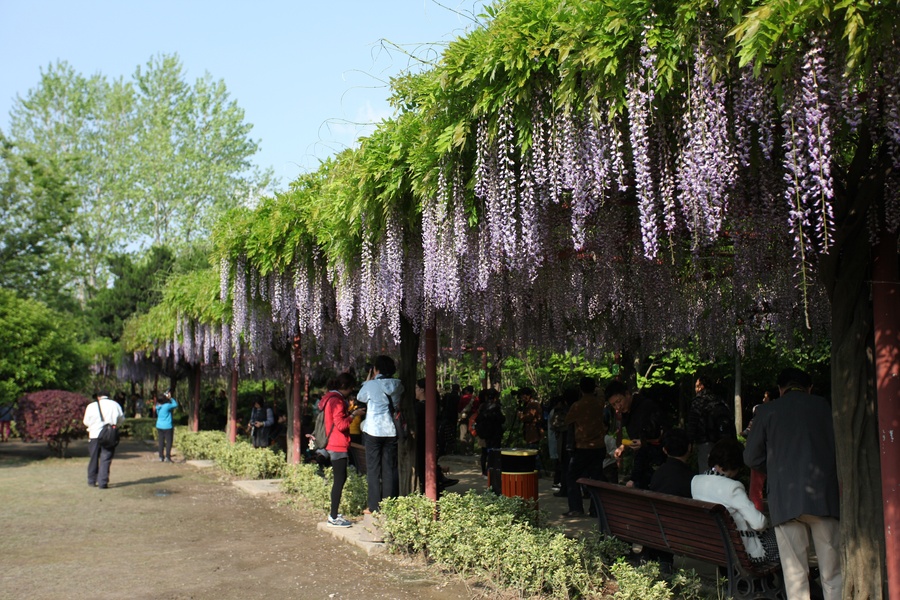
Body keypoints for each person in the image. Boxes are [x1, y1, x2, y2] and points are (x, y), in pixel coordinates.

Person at [744, 368, 841, 600]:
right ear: (809, 388)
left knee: (795, 573)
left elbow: (751, 458)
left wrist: (778, 471)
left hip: (784, 500)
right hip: (823, 497)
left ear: (780, 390)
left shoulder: (767, 411)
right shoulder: (824, 407)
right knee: (833, 572)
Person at [693, 438, 779, 564]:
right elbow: (759, 524)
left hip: (714, 545)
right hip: (741, 550)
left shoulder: (696, 481)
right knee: (781, 538)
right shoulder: (732, 487)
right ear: (734, 464)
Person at [356, 355, 404, 514]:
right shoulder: (398, 385)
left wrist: (369, 379)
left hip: (373, 430)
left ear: (376, 369)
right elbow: (396, 403)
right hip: (390, 431)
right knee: (388, 469)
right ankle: (388, 504)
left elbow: (360, 397)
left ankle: (374, 506)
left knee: (373, 469)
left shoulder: (371, 385)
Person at [319, 372, 364, 527]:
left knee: (339, 479)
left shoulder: (328, 398)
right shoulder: (337, 401)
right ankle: (333, 516)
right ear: (345, 387)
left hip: (332, 443)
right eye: (351, 389)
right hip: (337, 444)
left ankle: (334, 514)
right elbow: (342, 425)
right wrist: (353, 415)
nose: (351, 392)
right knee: (339, 480)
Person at [646, 428, 695, 572]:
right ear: (689, 447)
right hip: (684, 532)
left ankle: (661, 560)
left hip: (654, 527)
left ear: (665, 450)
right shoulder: (692, 478)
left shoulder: (658, 474)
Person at [562, 377, 607, 517]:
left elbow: (567, 421)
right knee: (596, 478)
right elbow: (602, 396)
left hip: (582, 447)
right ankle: (595, 509)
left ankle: (576, 508)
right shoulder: (600, 404)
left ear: (580, 389)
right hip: (598, 446)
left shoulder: (577, 405)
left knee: (572, 477)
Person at [686, 374, 735, 474]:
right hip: (722, 442)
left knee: (706, 471)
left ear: (701, 386)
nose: (695, 389)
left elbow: (692, 424)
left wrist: (689, 444)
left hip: (705, 442)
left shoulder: (698, 401)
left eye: (696, 386)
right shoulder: (720, 400)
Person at [83, 392, 125, 489]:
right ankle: (103, 482)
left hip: (94, 434)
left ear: (98, 397)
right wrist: (114, 426)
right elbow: (121, 419)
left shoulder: (91, 406)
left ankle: (92, 480)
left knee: (93, 457)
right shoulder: (115, 404)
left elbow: (86, 421)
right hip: (109, 435)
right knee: (106, 458)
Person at [474, 388, 504, 477]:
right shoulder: (496, 407)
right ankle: (491, 470)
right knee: (494, 453)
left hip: (484, 433)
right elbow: (501, 419)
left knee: (484, 453)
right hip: (495, 433)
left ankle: (484, 472)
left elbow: (477, 419)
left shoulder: (482, 406)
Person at [155, 390, 178, 462]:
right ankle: (168, 457)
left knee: (161, 442)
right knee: (168, 442)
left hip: (159, 425)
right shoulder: (167, 406)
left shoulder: (157, 406)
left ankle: (161, 457)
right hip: (168, 426)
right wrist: (170, 398)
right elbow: (175, 404)